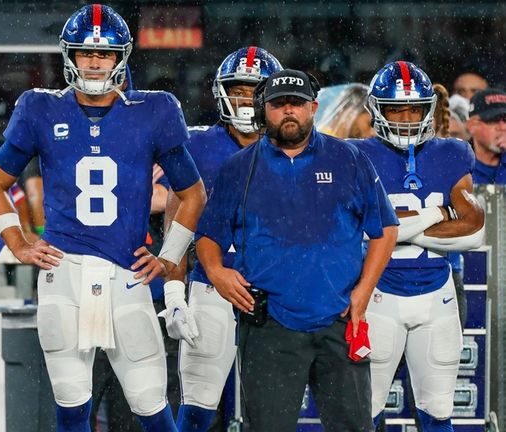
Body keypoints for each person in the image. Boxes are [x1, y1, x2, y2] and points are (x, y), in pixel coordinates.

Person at [0, 4, 206, 431]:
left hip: (128, 272)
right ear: (70, 56)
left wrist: (169, 257)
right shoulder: (39, 108)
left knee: (149, 401)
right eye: (86, 52)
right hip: (63, 272)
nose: (96, 61)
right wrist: (19, 243)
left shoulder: (153, 109)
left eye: (105, 53)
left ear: (122, 57)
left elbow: (193, 194)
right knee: (71, 403)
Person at [195, 68, 398, 431]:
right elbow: (208, 236)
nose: (289, 111)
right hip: (269, 326)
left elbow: (385, 229)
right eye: (279, 104)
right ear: (263, 109)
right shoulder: (238, 169)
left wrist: (363, 292)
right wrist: (216, 271)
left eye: (297, 104)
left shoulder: (348, 159)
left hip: (339, 320)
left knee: (353, 427)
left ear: (313, 107)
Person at [354, 61, 485, 431]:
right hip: (376, 294)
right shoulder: (355, 154)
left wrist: (391, 228)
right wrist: (435, 214)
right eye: (396, 108)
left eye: (414, 108)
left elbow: (474, 229)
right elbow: (352, 228)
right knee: (367, 411)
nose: (407, 117)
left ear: (429, 108)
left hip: (437, 294)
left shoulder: (451, 152)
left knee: (438, 412)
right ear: (378, 109)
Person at [165, 46, 283, 432]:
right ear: (222, 94)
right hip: (210, 286)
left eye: (255, 92)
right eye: (238, 91)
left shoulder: (299, 145)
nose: (246, 102)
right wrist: (173, 288)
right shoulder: (196, 143)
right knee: (198, 408)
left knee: (270, 412)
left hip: (277, 290)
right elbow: (175, 216)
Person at [467, 88, 506, 184]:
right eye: (494, 119)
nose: (503, 127)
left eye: (505, 120)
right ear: (472, 126)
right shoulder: (455, 167)